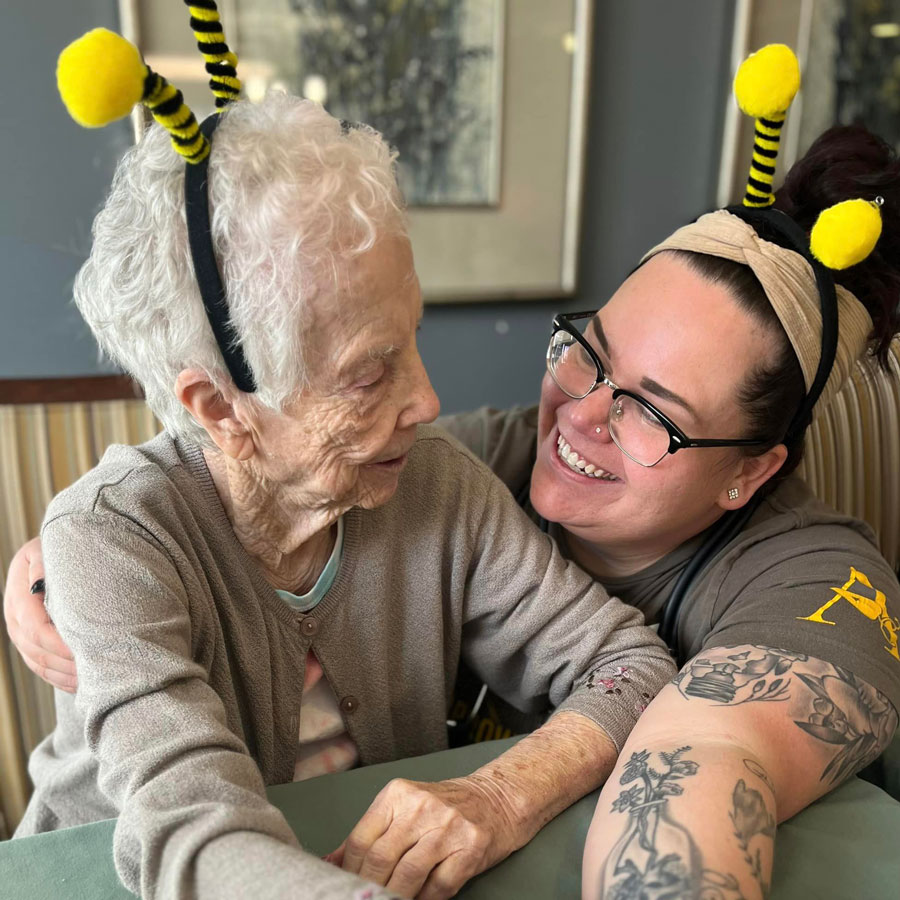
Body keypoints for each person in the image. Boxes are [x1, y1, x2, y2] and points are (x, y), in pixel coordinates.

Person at [11, 42, 900, 900]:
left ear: (752, 471)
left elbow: (665, 712)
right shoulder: (144, 531)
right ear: (217, 407)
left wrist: (502, 794)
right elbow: (190, 833)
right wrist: (69, 563)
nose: (429, 400)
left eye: (655, 413)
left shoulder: (431, 479)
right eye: (371, 372)